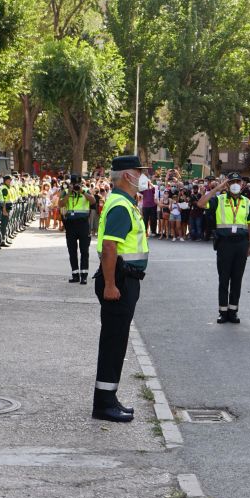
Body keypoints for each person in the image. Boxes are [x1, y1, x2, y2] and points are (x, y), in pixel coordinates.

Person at [92, 155, 151, 423]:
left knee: (117, 343)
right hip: (119, 281)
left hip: (125, 279)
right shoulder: (120, 205)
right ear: (127, 175)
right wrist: (110, 285)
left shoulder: (125, 202)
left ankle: (109, 398)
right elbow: (109, 247)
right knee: (113, 344)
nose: (143, 177)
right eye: (139, 172)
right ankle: (104, 405)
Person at [198, 172, 250, 323]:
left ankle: (233, 311)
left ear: (242, 184)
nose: (235, 184)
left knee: (237, 279)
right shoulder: (219, 199)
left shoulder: (246, 201)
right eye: (232, 182)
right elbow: (200, 204)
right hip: (225, 244)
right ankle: (223, 311)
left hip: (241, 244)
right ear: (227, 184)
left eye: (238, 182)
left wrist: (249, 244)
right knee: (224, 279)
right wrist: (217, 189)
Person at [61, 174, 95, 284]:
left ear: (81, 183)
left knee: (84, 251)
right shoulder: (66, 191)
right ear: (70, 183)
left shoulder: (86, 190)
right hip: (70, 225)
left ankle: (84, 276)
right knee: (72, 251)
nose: (76, 185)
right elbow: (60, 204)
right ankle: (75, 275)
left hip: (83, 224)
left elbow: (93, 201)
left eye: (77, 183)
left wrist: (82, 192)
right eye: (74, 183)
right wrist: (69, 193)